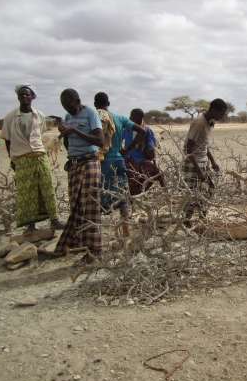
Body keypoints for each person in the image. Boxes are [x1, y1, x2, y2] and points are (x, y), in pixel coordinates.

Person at [0, 85, 62, 233]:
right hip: (22, 158)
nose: (24, 97)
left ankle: (54, 220)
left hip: (40, 156)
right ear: (18, 97)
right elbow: (7, 140)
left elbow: (39, 135)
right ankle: (31, 225)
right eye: (22, 94)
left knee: (47, 187)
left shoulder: (39, 115)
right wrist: (12, 158)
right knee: (27, 192)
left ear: (33, 97)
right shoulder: (10, 118)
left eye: (28, 94)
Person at [55, 88, 104, 260]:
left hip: (90, 162)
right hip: (74, 164)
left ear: (77, 100)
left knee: (90, 206)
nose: (67, 110)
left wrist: (74, 131)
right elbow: (70, 144)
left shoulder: (90, 113)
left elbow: (100, 140)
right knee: (76, 206)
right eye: (64, 106)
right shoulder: (68, 117)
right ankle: (81, 243)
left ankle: (95, 251)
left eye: (69, 105)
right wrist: (64, 133)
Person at [93, 93, 146, 230]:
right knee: (123, 196)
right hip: (118, 160)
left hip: (102, 162)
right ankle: (126, 231)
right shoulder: (120, 118)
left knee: (98, 196)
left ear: (95, 104)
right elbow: (142, 131)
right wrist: (127, 149)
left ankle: (96, 233)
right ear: (108, 103)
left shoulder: (95, 118)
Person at [183, 98, 227, 225]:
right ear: (213, 110)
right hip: (193, 164)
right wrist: (199, 171)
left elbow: (204, 145)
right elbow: (188, 149)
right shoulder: (199, 123)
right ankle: (186, 221)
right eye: (221, 113)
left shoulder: (210, 122)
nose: (222, 116)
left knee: (210, 188)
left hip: (203, 162)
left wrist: (213, 162)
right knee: (192, 193)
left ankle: (203, 216)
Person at [122, 108, 165, 195]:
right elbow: (119, 140)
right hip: (128, 158)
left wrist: (149, 151)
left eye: (132, 116)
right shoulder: (127, 129)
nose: (130, 118)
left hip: (141, 159)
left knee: (159, 174)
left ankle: (167, 194)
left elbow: (151, 147)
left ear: (139, 118)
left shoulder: (147, 130)